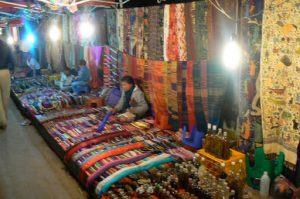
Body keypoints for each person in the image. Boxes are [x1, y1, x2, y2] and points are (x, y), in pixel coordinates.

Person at [0, 39, 15, 129]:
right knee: (5, 96)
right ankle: (4, 118)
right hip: (5, 72)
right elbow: (11, 57)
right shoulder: (5, 44)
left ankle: (2, 121)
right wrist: (12, 69)